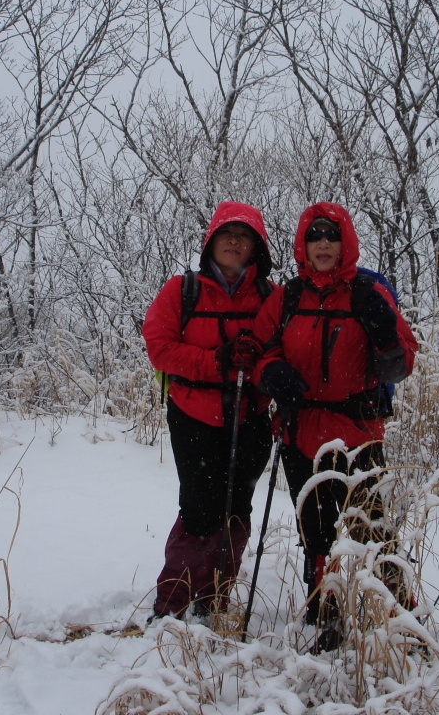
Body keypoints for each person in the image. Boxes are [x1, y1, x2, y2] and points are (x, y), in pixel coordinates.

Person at [252, 201, 418, 649]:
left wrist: (387, 340)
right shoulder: (286, 298)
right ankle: (322, 611)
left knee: (372, 527)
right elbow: (260, 349)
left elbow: (402, 362)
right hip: (300, 431)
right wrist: (272, 372)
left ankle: (403, 614)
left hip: (357, 431)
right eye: (314, 236)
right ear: (303, 244)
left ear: (345, 242)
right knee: (315, 530)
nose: (323, 244)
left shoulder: (367, 293)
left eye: (331, 236)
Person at [142, 200, 275, 622]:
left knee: (238, 507)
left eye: (245, 237)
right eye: (226, 235)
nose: (235, 243)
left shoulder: (271, 297)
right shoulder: (182, 291)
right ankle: (174, 602)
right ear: (211, 242)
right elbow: (159, 348)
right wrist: (216, 362)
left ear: (257, 248)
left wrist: (260, 362)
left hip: (250, 417)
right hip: (194, 416)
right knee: (199, 508)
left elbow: (283, 351)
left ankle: (215, 599)